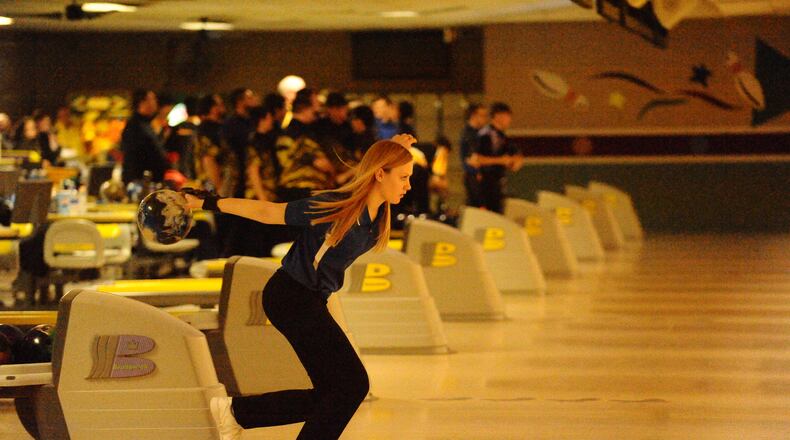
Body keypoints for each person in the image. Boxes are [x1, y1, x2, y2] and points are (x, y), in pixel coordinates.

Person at [182, 133, 417, 440]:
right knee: (352, 385)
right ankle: (236, 413)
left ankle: (235, 413)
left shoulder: (377, 220)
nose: (408, 186)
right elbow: (268, 212)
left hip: (309, 300)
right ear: (380, 174)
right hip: (289, 295)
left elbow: (376, 166)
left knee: (334, 393)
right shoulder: (333, 206)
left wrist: (396, 149)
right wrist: (206, 202)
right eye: (403, 177)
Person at [472, 102, 524, 213]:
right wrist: (501, 160)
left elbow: (514, 157)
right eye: (507, 116)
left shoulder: (503, 137)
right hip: (486, 185)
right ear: (497, 116)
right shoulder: (485, 134)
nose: (509, 120)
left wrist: (515, 161)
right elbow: (477, 159)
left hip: (498, 183)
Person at [120, 90, 170, 184]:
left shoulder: (145, 124)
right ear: (143, 102)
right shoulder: (135, 126)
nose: (156, 102)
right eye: (153, 99)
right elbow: (141, 154)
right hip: (141, 182)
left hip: (147, 180)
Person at [458, 103, 487, 208]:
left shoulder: (476, 133)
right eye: (482, 115)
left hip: (473, 176)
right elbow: (473, 158)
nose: (485, 119)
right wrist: (479, 171)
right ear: (474, 116)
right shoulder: (470, 135)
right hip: (474, 177)